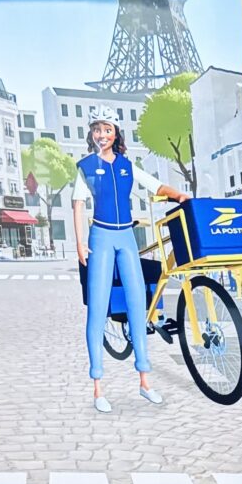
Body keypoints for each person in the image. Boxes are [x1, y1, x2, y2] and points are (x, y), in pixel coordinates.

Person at [72, 112, 185, 415]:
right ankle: (98, 386)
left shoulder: (126, 165)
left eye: (107, 129)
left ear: (116, 133)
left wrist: (178, 195)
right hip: (101, 237)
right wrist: (80, 242)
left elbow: (155, 186)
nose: (101, 134)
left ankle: (145, 381)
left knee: (137, 304)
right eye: (97, 129)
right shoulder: (85, 167)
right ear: (92, 134)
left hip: (126, 238)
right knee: (98, 308)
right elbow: (78, 205)